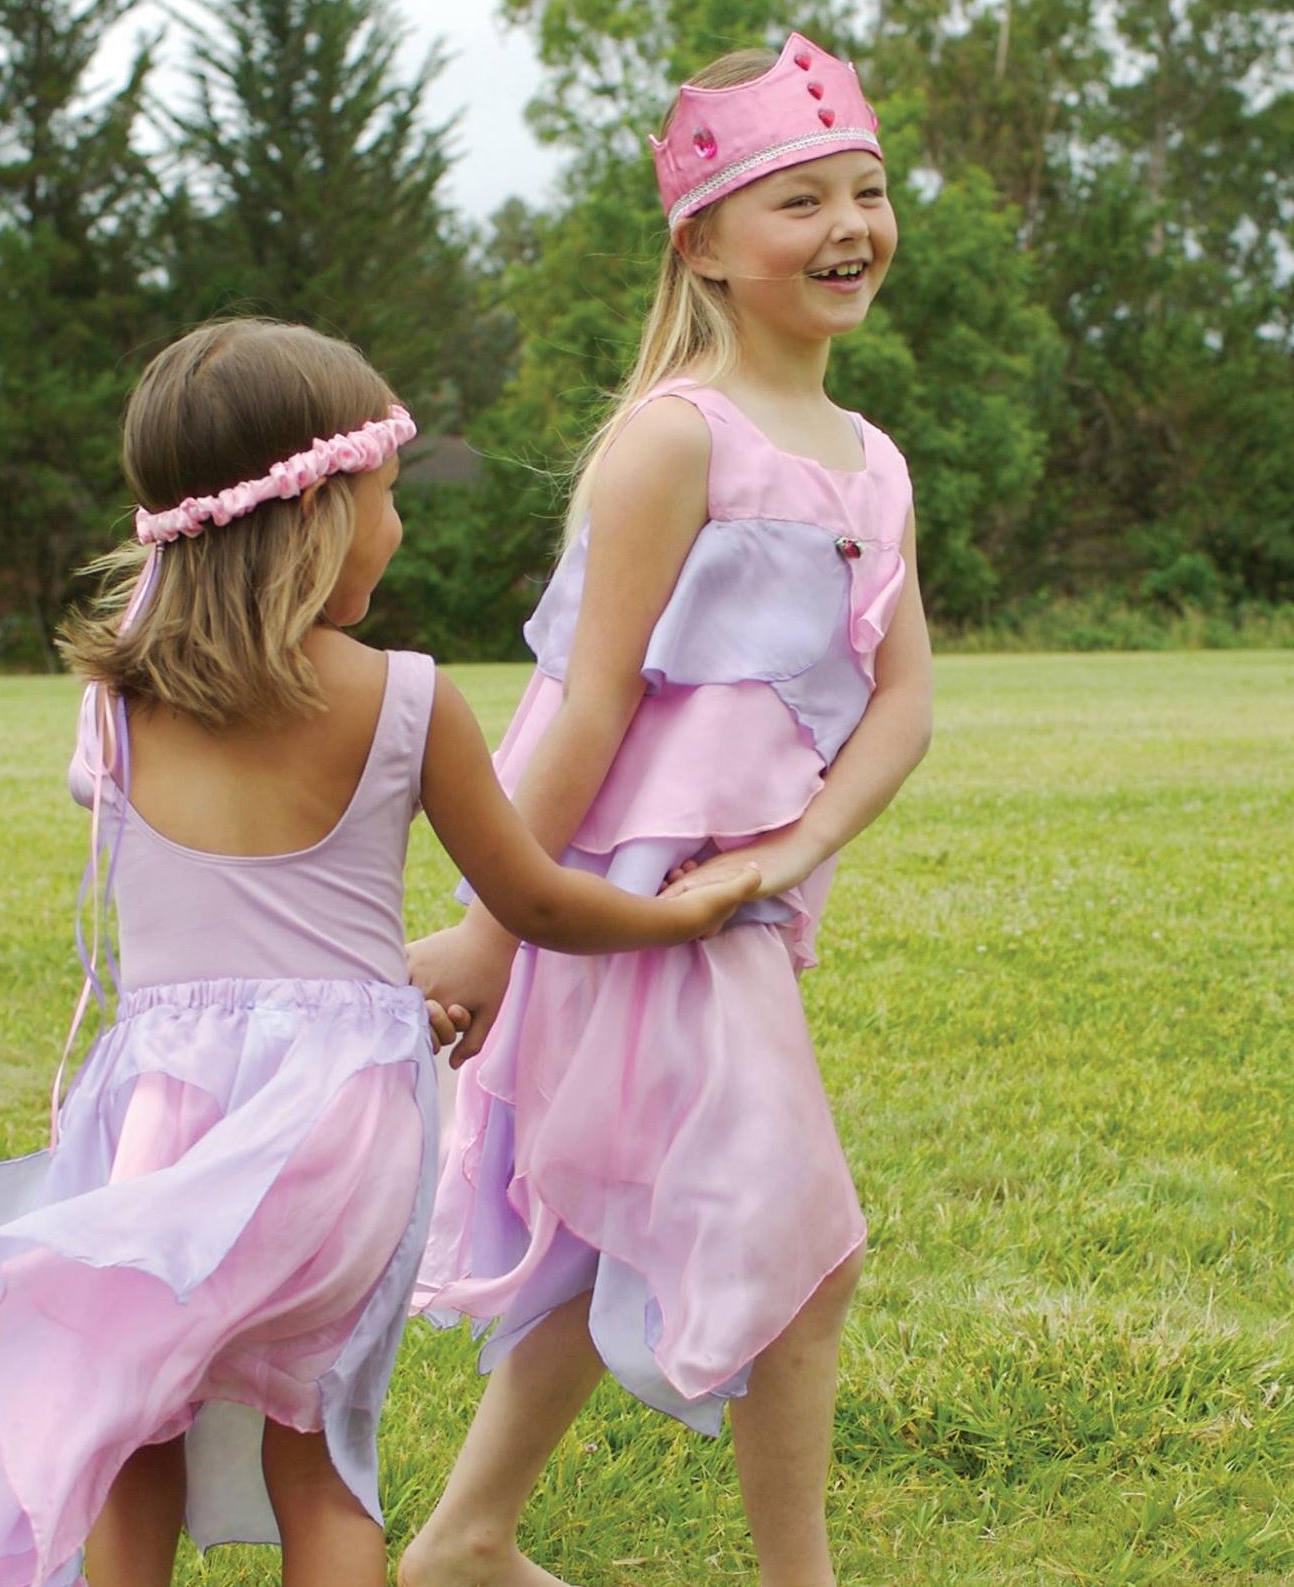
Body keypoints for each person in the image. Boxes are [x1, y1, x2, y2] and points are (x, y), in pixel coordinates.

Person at [0, 318, 758, 1587]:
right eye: (385, 495)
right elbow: (535, 903)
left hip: (165, 1125)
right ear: (318, 515)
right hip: (342, 1133)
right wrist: (683, 912)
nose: (395, 527)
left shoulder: (114, 712)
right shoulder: (406, 698)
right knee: (321, 1455)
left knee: (134, 1434)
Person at [401, 31, 933, 1587]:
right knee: (804, 1249)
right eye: (798, 201)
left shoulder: (873, 462)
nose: (847, 227)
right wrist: (492, 928)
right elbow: (586, 704)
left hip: (723, 907)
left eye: (866, 191)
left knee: (608, 1219)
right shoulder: (674, 438)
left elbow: (903, 702)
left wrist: (791, 848)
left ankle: (464, 1537)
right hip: (620, 905)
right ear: (701, 244)